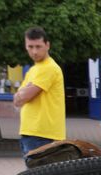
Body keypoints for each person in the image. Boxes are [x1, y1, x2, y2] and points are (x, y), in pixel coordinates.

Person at [13, 27, 65, 162]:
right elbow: (16, 100)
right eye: (30, 47)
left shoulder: (49, 68)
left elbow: (23, 97)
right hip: (32, 132)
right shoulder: (34, 69)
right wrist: (22, 93)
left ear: (47, 45)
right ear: (25, 46)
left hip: (42, 133)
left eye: (38, 46)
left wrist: (22, 92)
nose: (34, 51)